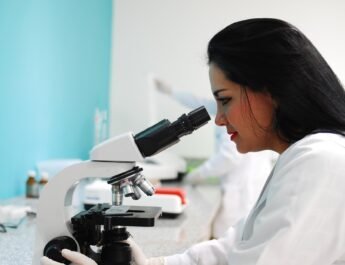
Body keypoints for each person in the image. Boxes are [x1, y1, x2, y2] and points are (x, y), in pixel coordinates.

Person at [41, 18, 345, 265]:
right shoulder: (306, 155)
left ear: (272, 91)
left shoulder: (318, 161)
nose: (219, 119)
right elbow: (234, 250)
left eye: (225, 100)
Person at [153, 77, 276, 238]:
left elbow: (229, 157)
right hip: (249, 186)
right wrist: (172, 92)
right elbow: (200, 103)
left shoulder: (235, 115)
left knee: (230, 240)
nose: (218, 119)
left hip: (241, 192)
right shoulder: (239, 105)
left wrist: (198, 174)